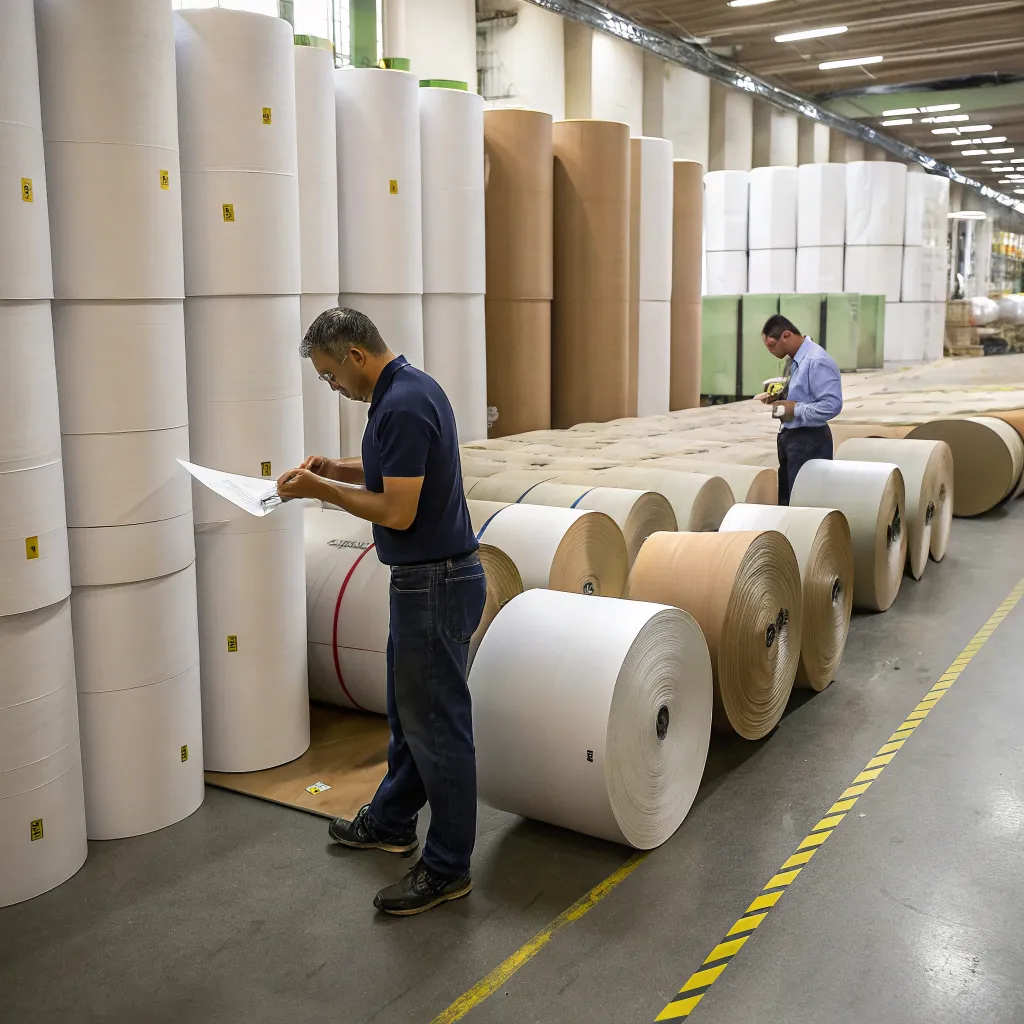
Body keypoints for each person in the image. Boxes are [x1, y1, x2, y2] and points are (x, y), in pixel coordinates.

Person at [277, 308, 486, 916]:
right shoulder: (404, 392)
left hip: (436, 582)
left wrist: (321, 493)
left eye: (329, 376)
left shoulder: (400, 402)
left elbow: (396, 510)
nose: (332, 387)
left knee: (438, 729)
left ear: (355, 356)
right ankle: (393, 821)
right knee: (409, 716)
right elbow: (393, 472)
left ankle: (448, 868)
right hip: (426, 580)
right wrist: (334, 468)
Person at [759, 314, 843, 506]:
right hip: (791, 438)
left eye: (772, 345)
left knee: (805, 503)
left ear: (786, 335)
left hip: (810, 440)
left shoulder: (816, 361)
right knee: (789, 501)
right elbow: (802, 393)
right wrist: (778, 397)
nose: (771, 351)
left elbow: (832, 405)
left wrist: (795, 409)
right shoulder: (795, 361)